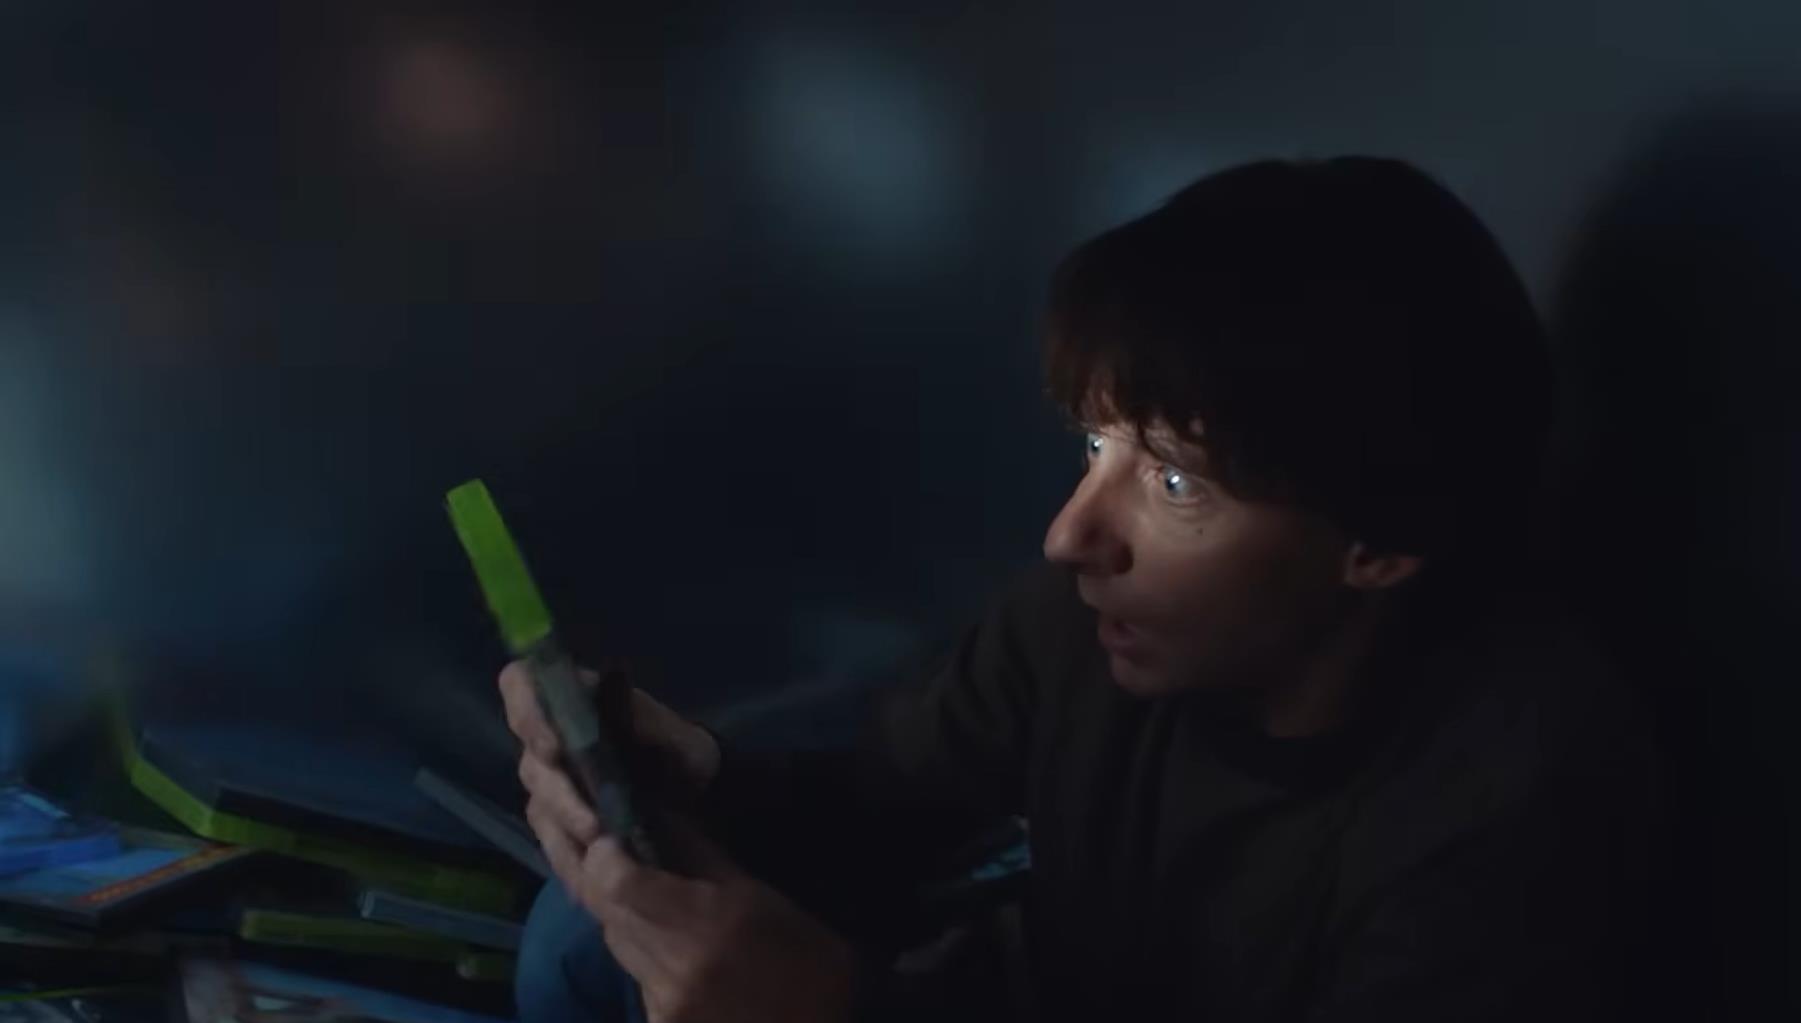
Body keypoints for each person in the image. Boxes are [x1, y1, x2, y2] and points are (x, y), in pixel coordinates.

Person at [502, 157, 1666, 1022]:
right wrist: (693, 780)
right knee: (579, 935)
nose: (1071, 536)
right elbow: (879, 811)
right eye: (1093, 445)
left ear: (1380, 542)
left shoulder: (1513, 809)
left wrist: (838, 1012)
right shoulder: (1090, 621)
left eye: (1173, 481)